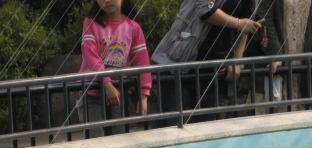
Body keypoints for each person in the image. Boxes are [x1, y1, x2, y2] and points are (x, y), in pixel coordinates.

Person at [152, 0, 261, 124]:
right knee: (173, 123)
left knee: (206, 124)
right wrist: (239, 23)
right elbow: (205, 10)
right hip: (182, 63)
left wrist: (236, 61)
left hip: (215, 70)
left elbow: (246, 27)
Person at [78, 0, 152, 137]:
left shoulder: (133, 27)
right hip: (92, 91)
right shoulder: (90, 23)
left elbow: (142, 62)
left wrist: (143, 96)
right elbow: (91, 57)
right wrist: (106, 83)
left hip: (119, 91)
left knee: (120, 136)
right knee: (95, 138)